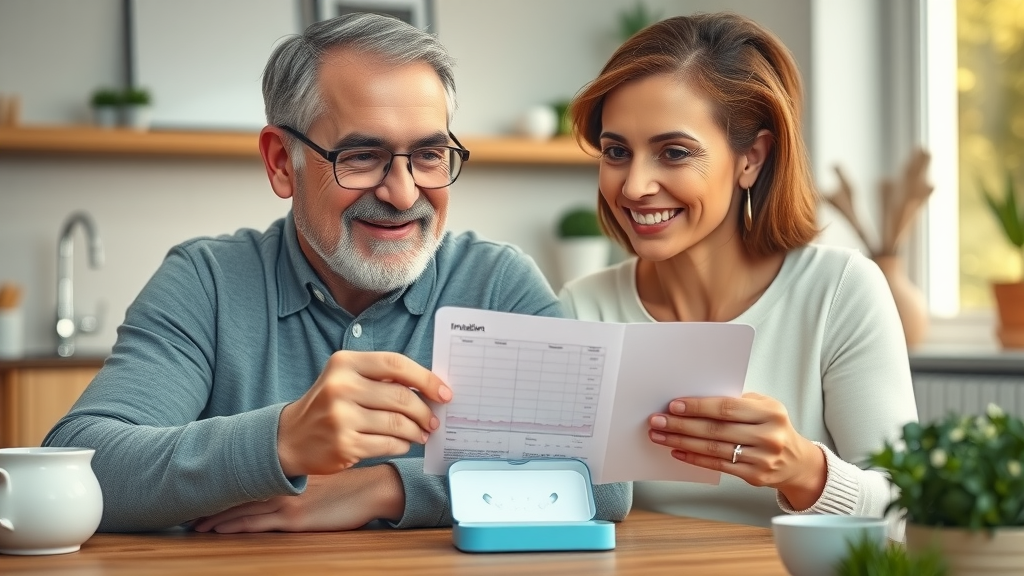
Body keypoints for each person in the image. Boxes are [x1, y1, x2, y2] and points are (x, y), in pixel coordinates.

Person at [44, 13, 630, 533]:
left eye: (428, 155)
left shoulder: (496, 280)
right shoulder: (206, 281)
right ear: (282, 162)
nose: (403, 195)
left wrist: (384, 489)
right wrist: (282, 440)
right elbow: (87, 462)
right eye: (361, 156)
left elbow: (603, 475)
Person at [559, 12, 918, 532]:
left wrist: (804, 471)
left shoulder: (839, 291)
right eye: (617, 152)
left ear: (751, 157)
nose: (634, 186)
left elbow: (909, 514)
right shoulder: (582, 308)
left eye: (674, 152)